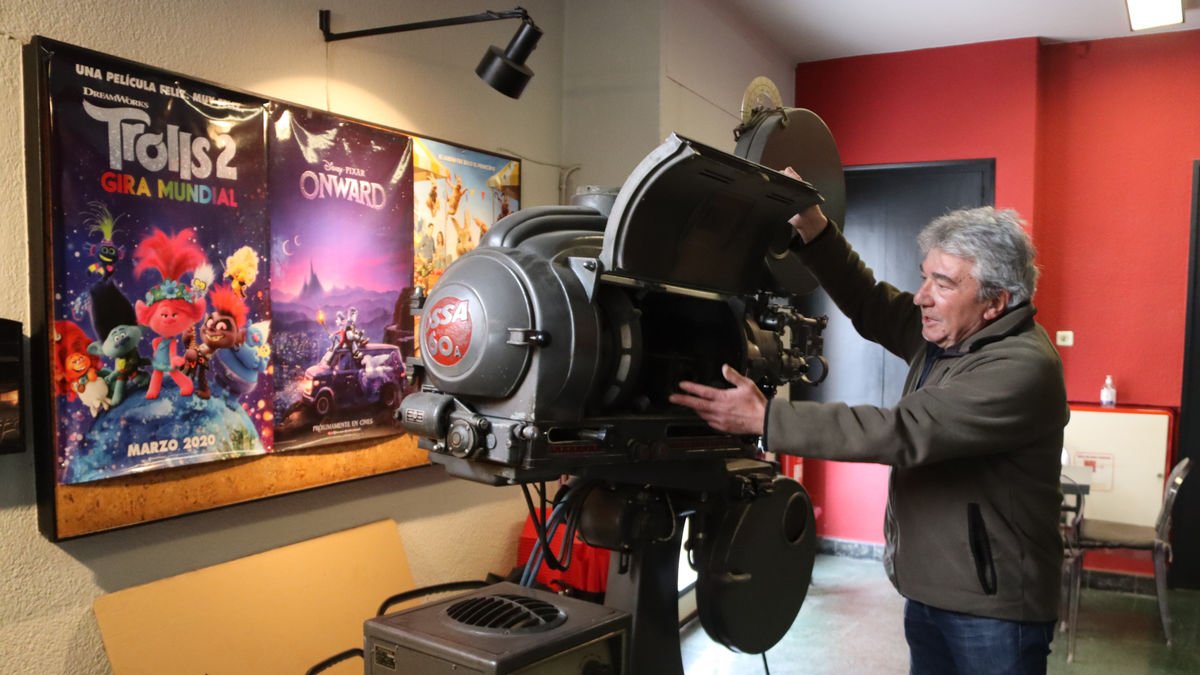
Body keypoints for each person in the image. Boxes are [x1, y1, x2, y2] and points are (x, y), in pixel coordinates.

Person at [670, 177, 1069, 675]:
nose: (922, 296)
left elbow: (902, 431)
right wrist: (814, 229)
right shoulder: (950, 336)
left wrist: (767, 418)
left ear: (996, 302)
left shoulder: (1019, 367)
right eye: (925, 277)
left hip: (995, 610)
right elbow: (871, 304)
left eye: (943, 284)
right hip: (933, 590)